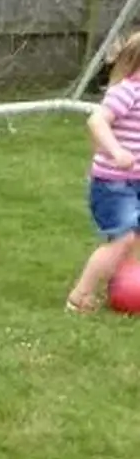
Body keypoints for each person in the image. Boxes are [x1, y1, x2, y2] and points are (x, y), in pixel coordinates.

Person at [68, 29, 140, 312]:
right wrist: (116, 151)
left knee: (135, 238)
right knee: (122, 238)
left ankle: (128, 285)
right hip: (114, 184)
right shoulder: (127, 91)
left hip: (136, 181)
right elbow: (96, 121)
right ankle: (80, 295)